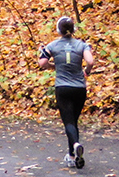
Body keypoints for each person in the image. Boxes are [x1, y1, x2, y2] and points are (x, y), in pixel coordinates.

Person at [37, 15, 94, 168]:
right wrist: (86, 72)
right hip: (79, 88)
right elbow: (90, 61)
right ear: (74, 29)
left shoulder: (53, 45)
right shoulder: (82, 45)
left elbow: (42, 63)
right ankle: (72, 155)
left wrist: (52, 66)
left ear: (58, 30)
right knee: (74, 121)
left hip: (62, 87)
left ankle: (75, 146)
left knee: (68, 122)